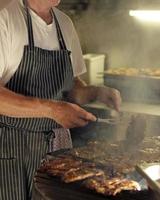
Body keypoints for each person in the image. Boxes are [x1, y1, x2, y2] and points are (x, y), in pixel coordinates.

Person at [0, 0, 121, 199]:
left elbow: (70, 86)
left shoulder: (64, 23)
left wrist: (94, 92)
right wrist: (52, 110)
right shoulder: (6, 17)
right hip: (11, 150)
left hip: (58, 150)